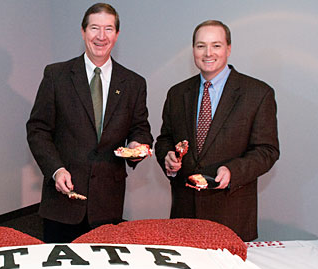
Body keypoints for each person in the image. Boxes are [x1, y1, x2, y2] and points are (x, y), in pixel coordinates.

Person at [27, 3, 152, 243]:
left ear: (117, 35)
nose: (101, 36)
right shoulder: (56, 75)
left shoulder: (134, 83)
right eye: (95, 28)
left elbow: (140, 129)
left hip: (107, 205)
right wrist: (56, 169)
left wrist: (137, 147)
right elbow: (37, 130)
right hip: (62, 201)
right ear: (83, 31)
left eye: (108, 29)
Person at [155, 20, 279, 241]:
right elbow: (165, 139)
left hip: (231, 217)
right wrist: (167, 157)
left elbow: (267, 151)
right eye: (201, 46)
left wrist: (233, 171)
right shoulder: (177, 93)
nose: (208, 53)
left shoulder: (258, 94)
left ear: (229, 49)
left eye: (216, 45)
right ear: (193, 50)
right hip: (184, 217)